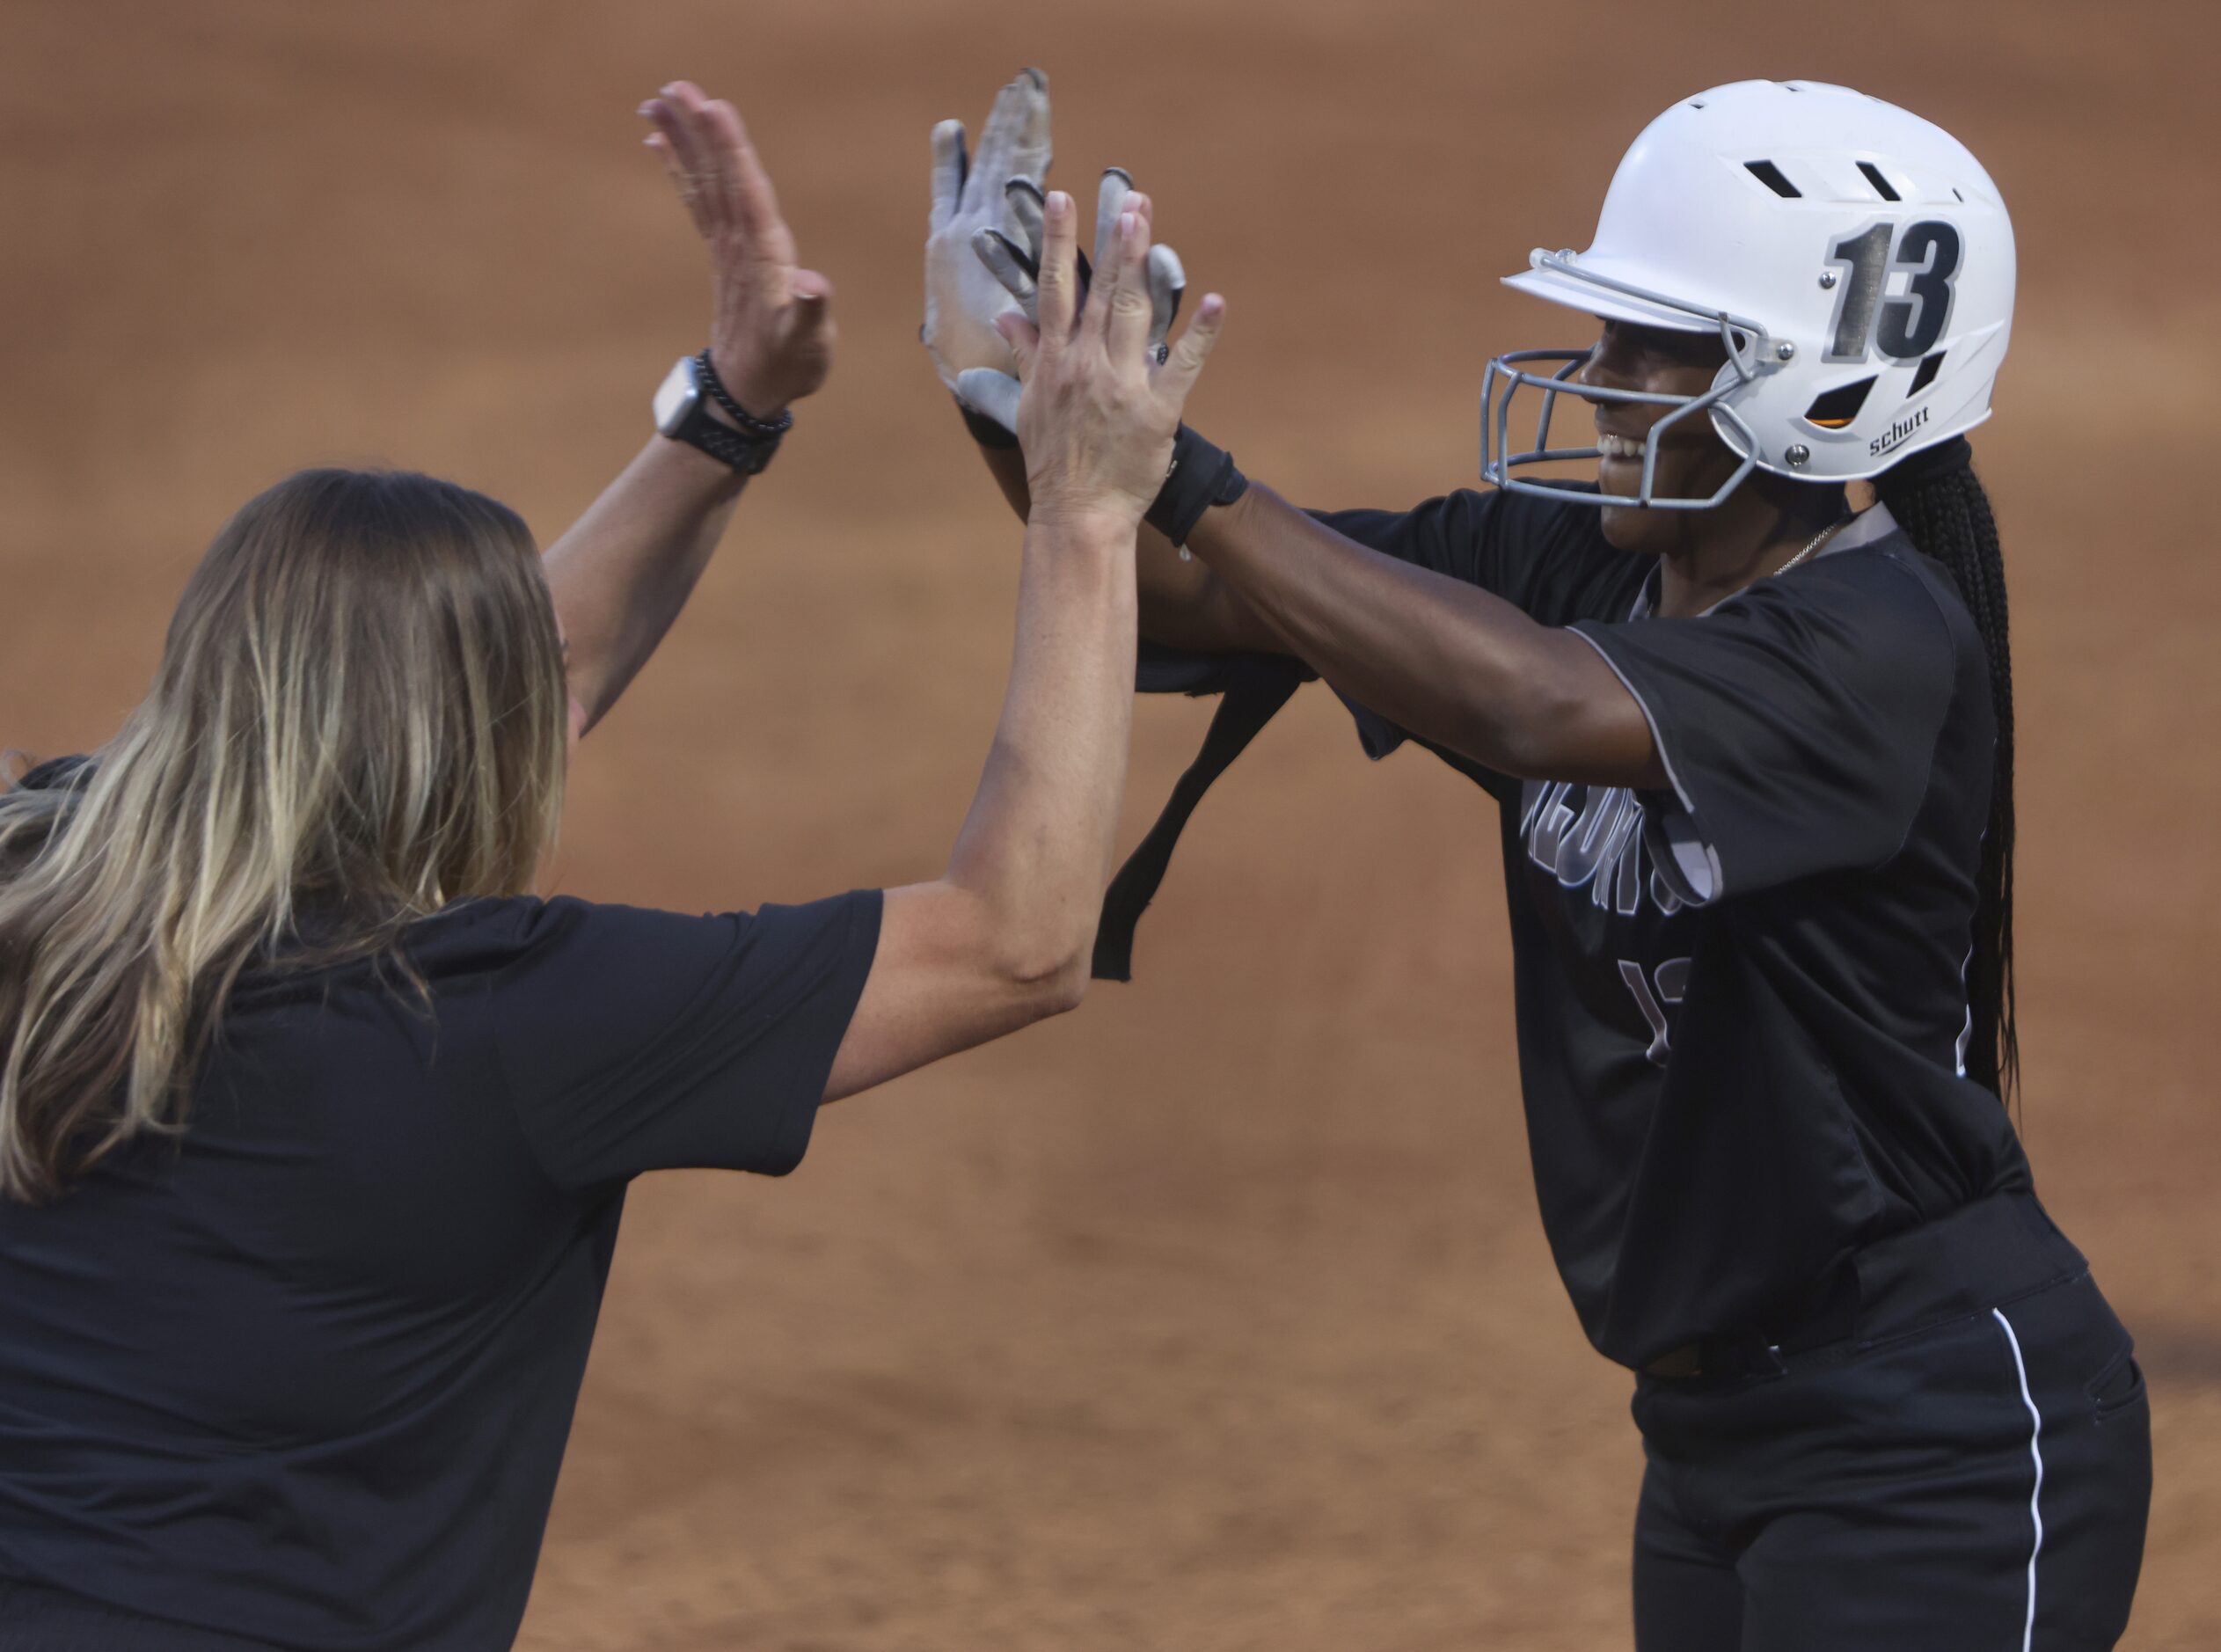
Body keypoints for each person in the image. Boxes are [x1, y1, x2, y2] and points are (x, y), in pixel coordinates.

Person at [928, 76, 2150, 1649]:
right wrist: (1015, 400)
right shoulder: (1574, 563)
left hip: (1934, 1444)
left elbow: (1534, 699)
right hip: (1711, 1438)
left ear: (1813, 381)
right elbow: (1188, 600)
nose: (1601, 378)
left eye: (1656, 344)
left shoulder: (1877, 641)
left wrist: (1183, 473)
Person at [0, 81, 1222, 1650]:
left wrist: (728, 412)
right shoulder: (504, 1022)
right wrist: (1087, 507)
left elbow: (510, 693)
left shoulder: (41, 880)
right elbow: (1015, 938)